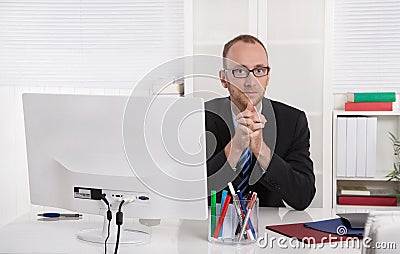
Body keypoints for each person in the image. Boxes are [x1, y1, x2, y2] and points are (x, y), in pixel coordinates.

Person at [205, 34, 315, 210]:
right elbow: (191, 193)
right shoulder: (201, 117)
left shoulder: (293, 121)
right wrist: (235, 148)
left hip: (269, 229)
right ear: (223, 78)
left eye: (259, 70)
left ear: (268, 76)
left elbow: (303, 197)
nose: (251, 82)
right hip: (211, 227)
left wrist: (261, 149)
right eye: (240, 71)